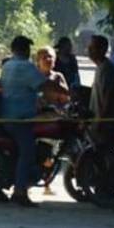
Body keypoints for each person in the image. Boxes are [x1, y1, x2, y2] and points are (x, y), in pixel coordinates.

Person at [1, 36, 69, 207]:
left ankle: (13, 184)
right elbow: (45, 85)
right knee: (28, 152)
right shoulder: (26, 67)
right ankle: (20, 192)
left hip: (8, 114)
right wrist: (68, 93)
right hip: (20, 118)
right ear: (25, 50)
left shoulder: (8, 65)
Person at [34, 47, 69, 195]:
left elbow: (66, 97)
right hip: (37, 120)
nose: (48, 60)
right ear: (38, 61)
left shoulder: (58, 77)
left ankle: (47, 184)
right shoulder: (34, 78)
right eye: (44, 57)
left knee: (52, 154)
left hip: (55, 120)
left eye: (51, 57)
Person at [87, 34, 114, 145]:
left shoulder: (107, 70)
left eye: (92, 48)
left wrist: (100, 121)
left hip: (103, 124)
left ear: (102, 49)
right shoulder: (100, 68)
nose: (89, 50)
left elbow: (108, 98)